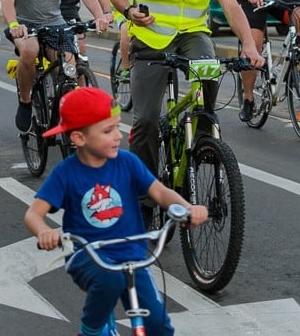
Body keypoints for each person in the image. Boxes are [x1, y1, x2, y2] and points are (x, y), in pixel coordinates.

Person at [24, 87, 208, 336]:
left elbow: (160, 192)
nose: (118, 136)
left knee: (158, 325)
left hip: (133, 255)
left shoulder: (127, 162)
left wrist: (187, 208)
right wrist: (44, 232)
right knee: (109, 281)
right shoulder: (66, 173)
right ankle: (90, 330)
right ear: (79, 138)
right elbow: (33, 214)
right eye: (108, 131)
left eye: (117, 127)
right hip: (87, 256)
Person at [107, 0, 264, 176]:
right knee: (146, 121)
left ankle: (203, 133)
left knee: (210, 69)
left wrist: (249, 45)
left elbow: (230, 5)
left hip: (192, 34)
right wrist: (130, 12)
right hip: (150, 39)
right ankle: (145, 194)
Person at [2, 0, 111, 132]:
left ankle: (64, 109)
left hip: (55, 22)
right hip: (25, 24)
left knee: (69, 66)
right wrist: (14, 24)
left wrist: (100, 15)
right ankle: (25, 101)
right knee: (31, 51)